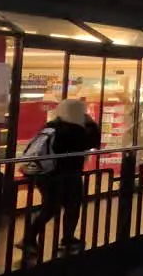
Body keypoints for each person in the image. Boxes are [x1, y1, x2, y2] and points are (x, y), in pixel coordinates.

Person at [22, 99, 100, 261]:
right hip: (67, 173)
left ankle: (30, 238)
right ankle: (67, 238)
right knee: (71, 206)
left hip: (47, 174)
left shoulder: (51, 126)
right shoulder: (77, 129)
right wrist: (89, 121)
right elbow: (94, 142)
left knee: (51, 207)